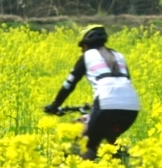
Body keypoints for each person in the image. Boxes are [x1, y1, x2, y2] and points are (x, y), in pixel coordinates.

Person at [43, 24, 141, 160]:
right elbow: (123, 82)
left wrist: (54, 105)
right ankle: (124, 166)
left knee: (88, 144)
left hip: (106, 103)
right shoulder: (119, 55)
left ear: (85, 45)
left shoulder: (87, 56)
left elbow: (69, 84)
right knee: (110, 143)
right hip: (131, 105)